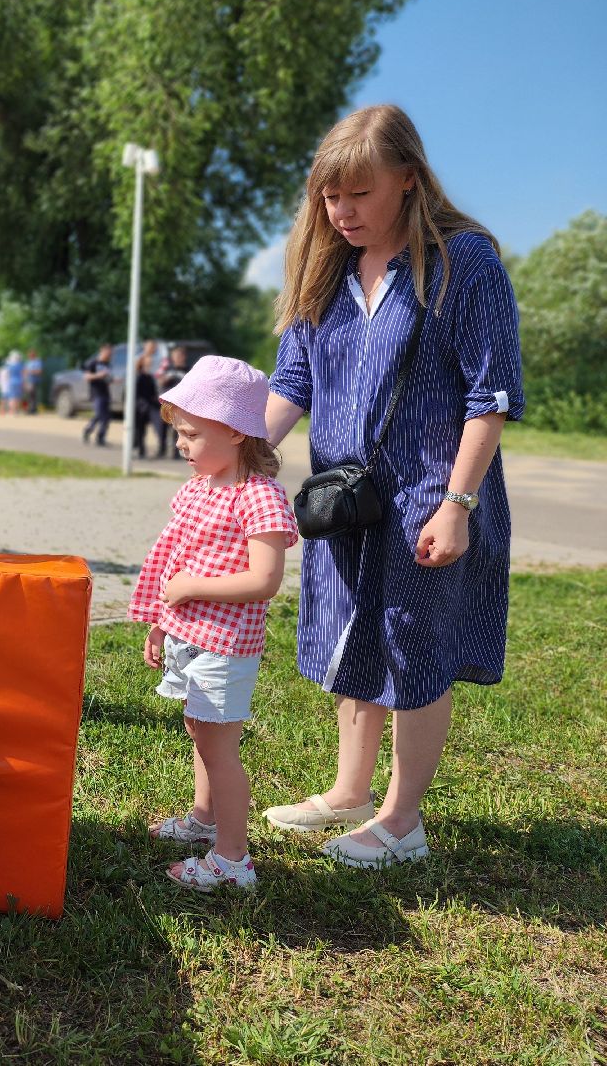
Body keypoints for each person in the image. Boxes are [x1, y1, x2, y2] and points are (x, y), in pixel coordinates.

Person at [261, 104, 524, 868]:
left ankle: (401, 819)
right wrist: (248, 447)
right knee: (354, 632)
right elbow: (293, 379)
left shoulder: (463, 264)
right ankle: (348, 792)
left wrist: (458, 504)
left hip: (428, 498)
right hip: (345, 500)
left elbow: (491, 396)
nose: (341, 212)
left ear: (408, 180)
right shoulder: (327, 268)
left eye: (360, 194)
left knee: (414, 642)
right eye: (329, 197)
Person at [131, 356, 298, 891]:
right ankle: (205, 820)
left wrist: (190, 590)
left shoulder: (259, 496)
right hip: (189, 635)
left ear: (233, 430)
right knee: (199, 732)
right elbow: (173, 560)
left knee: (219, 750)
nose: (180, 444)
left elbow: (264, 579)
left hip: (224, 644)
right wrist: (161, 622)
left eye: (191, 434)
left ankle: (233, 859)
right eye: (179, 433)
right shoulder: (199, 488)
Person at [155, 345, 190, 457]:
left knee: (178, 430)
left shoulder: (189, 371)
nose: (177, 358)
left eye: (180, 355)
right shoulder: (167, 369)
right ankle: (161, 450)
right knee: (162, 429)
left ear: (184, 357)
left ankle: (175, 453)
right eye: (175, 356)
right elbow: (159, 382)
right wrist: (164, 379)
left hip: (181, 405)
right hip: (167, 404)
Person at [81, 343, 113, 446]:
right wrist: (99, 375)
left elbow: (108, 379)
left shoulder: (107, 364)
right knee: (100, 415)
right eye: (108, 352)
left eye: (111, 353)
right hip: (96, 393)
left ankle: (100, 437)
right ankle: (88, 430)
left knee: (106, 417)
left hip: (106, 393)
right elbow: (86, 377)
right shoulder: (93, 363)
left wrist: (114, 380)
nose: (110, 355)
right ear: (102, 351)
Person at [132, 353, 159, 457]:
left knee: (144, 430)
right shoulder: (138, 377)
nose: (150, 364)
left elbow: (153, 393)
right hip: (139, 407)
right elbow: (135, 394)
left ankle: (142, 449)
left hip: (149, 406)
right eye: (148, 362)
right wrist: (142, 404)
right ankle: (140, 449)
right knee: (139, 429)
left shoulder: (150, 377)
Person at [0, 350, 25, 416]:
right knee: (18, 397)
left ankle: (12, 411)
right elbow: (23, 374)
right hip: (19, 382)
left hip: (11, 382)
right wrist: (24, 382)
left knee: (12, 398)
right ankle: (16, 411)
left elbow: (7, 375)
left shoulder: (10, 366)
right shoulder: (20, 365)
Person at [23, 349, 43, 414]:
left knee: (32, 395)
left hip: (34, 381)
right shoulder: (28, 362)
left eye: (31, 355)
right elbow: (25, 371)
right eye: (29, 355)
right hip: (27, 381)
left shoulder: (38, 362)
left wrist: (30, 372)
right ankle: (29, 409)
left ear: (34, 355)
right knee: (28, 395)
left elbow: (39, 371)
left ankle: (33, 409)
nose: (29, 356)